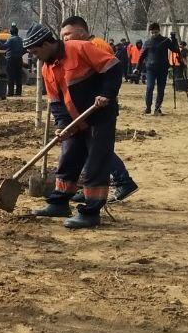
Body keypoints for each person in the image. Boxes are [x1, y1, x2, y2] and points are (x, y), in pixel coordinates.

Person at [24, 23, 122, 229]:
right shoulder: (46, 68)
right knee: (68, 158)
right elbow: (56, 102)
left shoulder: (79, 48)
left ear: (48, 43)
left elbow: (113, 67)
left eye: (35, 51)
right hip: (74, 121)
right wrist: (62, 125)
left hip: (99, 116)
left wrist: (107, 93)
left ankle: (91, 212)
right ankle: (59, 203)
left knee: (96, 163)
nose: (35, 56)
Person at [58, 16, 139, 201]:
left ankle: (123, 181)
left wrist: (103, 96)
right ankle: (90, 187)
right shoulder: (76, 48)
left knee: (99, 150)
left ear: (80, 32)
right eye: (62, 36)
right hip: (86, 111)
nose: (65, 39)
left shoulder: (96, 46)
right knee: (91, 150)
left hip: (100, 110)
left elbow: (108, 75)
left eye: (67, 34)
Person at [141, 22, 180, 115]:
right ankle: (148, 107)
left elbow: (176, 50)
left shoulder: (165, 40)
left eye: (156, 32)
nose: (154, 34)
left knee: (161, 89)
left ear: (159, 31)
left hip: (163, 68)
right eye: (152, 32)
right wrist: (138, 68)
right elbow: (142, 56)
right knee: (149, 87)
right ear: (150, 32)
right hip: (150, 69)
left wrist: (174, 39)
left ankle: (157, 109)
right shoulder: (147, 42)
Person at [4, 23, 26, 96]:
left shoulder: (10, 39)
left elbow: (4, 46)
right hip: (19, 59)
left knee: (10, 76)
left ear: (11, 32)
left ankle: (10, 92)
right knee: (18, 76)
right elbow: (25, 49)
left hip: (10, 59)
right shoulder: (21, 40)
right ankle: (18, 92)